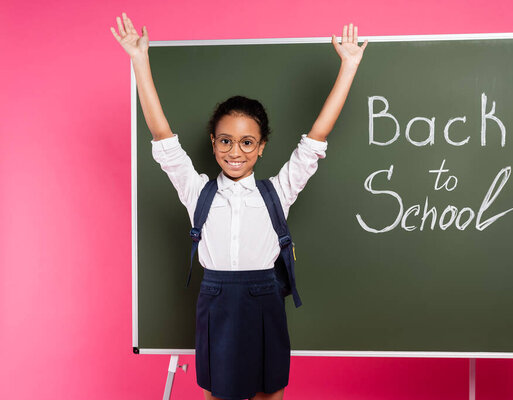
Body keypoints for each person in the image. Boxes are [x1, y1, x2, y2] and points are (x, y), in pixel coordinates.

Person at [111, 12, 367, 400]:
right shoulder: (197, 191)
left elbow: (317, 137)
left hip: (264, 301)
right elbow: (162, 136)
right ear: (213, 143)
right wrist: (139, 59)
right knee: (218, 395)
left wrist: (348, 66)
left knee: (269, 395)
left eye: (247, 142)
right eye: (225, 141)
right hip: (215, 301)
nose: (235, 151)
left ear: (261, 147)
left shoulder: (278, 191)